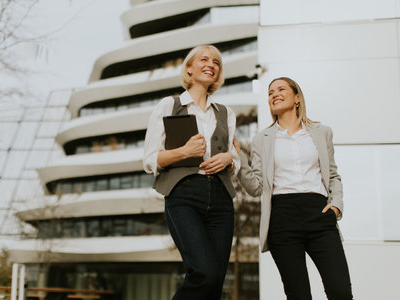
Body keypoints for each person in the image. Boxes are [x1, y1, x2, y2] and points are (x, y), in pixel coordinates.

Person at [236, 77, 353, 299]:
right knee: (298, 295)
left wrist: (336, 206)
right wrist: (239, 157)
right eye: (270, 92)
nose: (274, 94)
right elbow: (256, 187)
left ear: (296, 97)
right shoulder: (262, 139)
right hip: (282, 218)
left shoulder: (321, 132)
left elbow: (332, 175)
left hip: (319, 213)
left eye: (281, 89)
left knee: (341, 291)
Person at [143, 45, 240, 300]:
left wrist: (229, 159)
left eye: (216, 62)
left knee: (216, 282)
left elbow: (236, 159)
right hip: (183, 194)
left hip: (220, 198)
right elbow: (151, 159)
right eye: (204, 60)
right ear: (189, 68)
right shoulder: (170, 105)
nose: (211, 64)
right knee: (204, 273)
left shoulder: (226, 113)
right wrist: (184, 152)